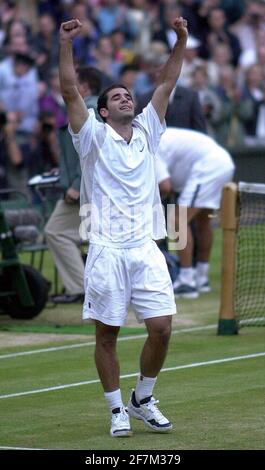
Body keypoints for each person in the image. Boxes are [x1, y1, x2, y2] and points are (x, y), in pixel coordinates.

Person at [58, 17, 188, 437]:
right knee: (108, 333)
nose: (126, 100)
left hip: (146, 246)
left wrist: (181, 40)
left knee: (162, 327)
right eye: (117, 97)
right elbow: (67, 91)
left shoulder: (149, 128)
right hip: (106, 247)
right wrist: (65, 44)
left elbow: (166, 82)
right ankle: (116, 409)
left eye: (128, 95)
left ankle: (142, 399)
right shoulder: (91, 136)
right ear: (102, 110)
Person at [44, 66, 103, 304]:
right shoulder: (93, 107)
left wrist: (77, 183)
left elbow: (94, 151)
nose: (64, 86)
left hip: (85, 188)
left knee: (56, 231)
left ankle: (81, 288)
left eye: (71, 82)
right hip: (89, 186)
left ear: (85, 86)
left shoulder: (89, 109)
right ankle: (90, 288)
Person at [155, 127, 235, 299]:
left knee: (177, 220)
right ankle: (201, 278)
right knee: (203, 220)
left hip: (208, 167)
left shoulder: (150, 144)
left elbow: (165, 187)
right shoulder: (158, 138)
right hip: (223, 163)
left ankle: (186, 281)